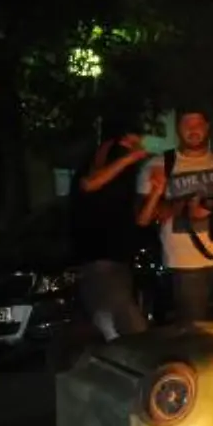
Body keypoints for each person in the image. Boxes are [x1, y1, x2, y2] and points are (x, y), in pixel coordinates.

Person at [136, 108, 213, 323]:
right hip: (186, 266)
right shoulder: (159, 165)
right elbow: (144, 217)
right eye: (186, 126)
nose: (193, 131)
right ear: (178, 130)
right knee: (194, 332)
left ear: (207, 127)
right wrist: (183, 207)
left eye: (197, 125)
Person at [70, 117, 152, 340]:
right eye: (133, 143)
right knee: (131, 326)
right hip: (102, 259)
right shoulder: (108, 158)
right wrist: (128, 158)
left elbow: (139, 218)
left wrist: (155, 190)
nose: (139, 149)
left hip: (118, 260)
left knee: (112, 321)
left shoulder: (125, 175)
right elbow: (90, 183)